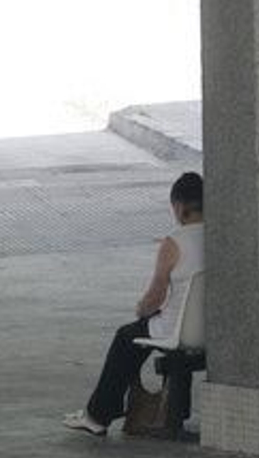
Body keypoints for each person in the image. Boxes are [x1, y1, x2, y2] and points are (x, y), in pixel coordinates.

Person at [64, 172, 205, 435]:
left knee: (126, 336)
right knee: (139, 334)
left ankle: (98, 415)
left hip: (178, 330)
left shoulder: (174, 242)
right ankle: (164, 409)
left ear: (178, 206)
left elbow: (155, 296)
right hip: (212, 329)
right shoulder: (221, 237)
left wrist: (141, 309)